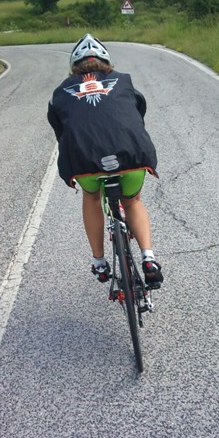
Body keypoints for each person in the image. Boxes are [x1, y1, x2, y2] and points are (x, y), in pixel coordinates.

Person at [47, 33, 164, 288]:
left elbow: (59, 131)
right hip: (131, 156)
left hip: (84, 162)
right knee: (132, 201)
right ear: (106, 61)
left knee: (91, 198)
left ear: (74, 66)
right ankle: (148, 259)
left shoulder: (59, 93)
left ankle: (99, 262)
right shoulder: (124, 81)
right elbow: (139, 113)